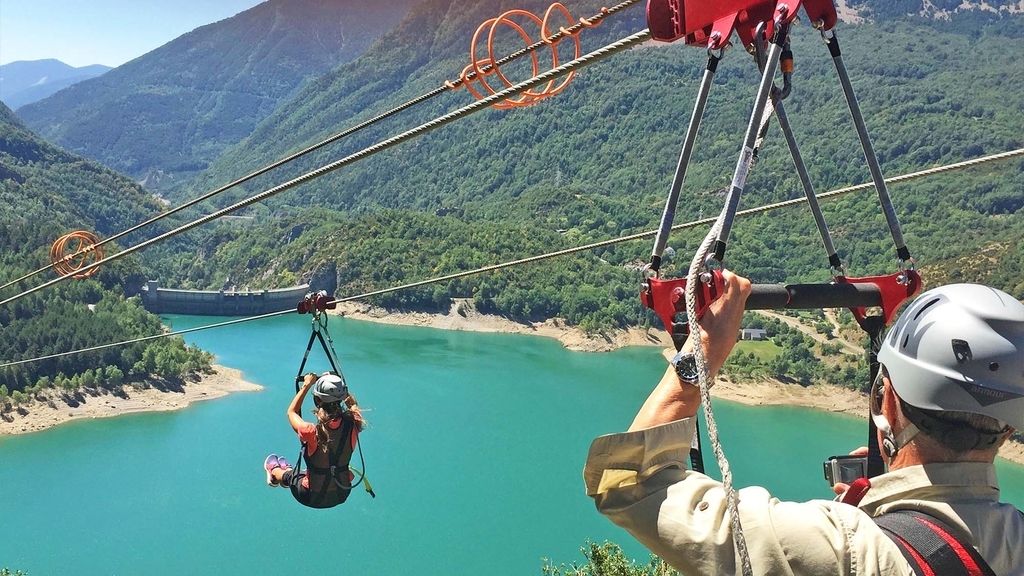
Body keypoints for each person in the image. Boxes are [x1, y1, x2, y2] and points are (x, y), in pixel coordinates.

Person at [584, 270, 1023, 575]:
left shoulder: (844, 550)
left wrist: (699, 357)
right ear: (1007, 428)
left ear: (886, 400)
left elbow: (632, 482)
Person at [264, 372, 365, 509]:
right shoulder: (355, 423)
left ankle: (274, 473)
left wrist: (307, 384)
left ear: (317, 400)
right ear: (342, 399)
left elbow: (291, 412)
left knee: (291, 476)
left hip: (309, 496)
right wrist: (337, 384)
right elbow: (353, 404)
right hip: (341, 494)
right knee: (321, 470)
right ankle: (294, 473)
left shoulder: (310, 431)